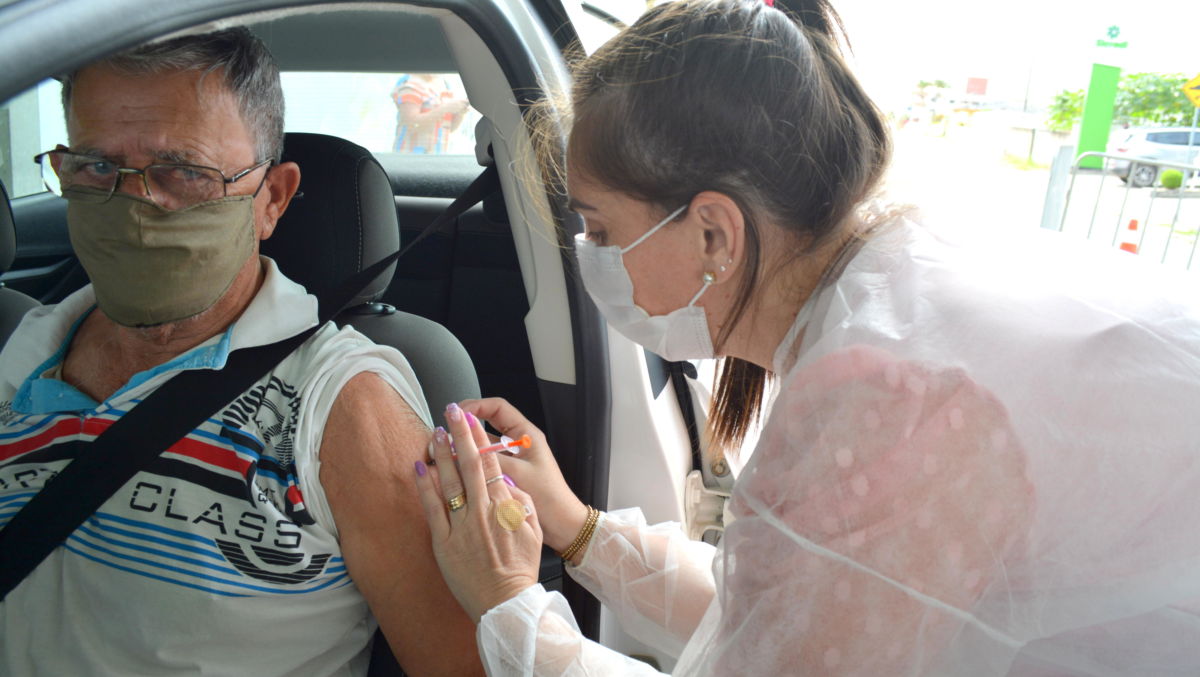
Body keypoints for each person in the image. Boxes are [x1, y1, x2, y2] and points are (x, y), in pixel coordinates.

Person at [410, 0, 1200, 674]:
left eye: (600, 229)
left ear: (716, 234)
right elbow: (790, 615)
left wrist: (506, 602)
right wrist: (576, 526)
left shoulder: (886, 399)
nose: (593, 260)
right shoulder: (896, 289)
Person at [0, 29, 483, 676]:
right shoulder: (20, 348)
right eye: (97, 168)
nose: (136, 202)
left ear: (272, 198)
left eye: (183, 171)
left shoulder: (339, 406)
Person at [391, 74, 470, 154]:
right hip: (410, 156)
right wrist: (445, 108)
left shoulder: (445, 86)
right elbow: (412, 125)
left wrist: (460, 113)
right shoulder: (410, 85)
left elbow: (449, 128)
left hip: (437, 155)